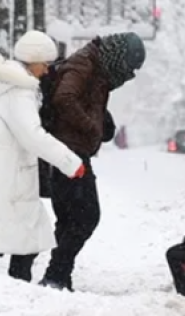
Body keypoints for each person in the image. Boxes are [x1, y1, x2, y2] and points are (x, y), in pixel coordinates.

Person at [0, 32, 86, 281]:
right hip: (5, 178)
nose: (46, 71)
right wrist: (70, 162)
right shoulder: (19, 90)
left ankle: (13, 291)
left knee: (18, 240)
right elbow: (32, 136)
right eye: (45, 64)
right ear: (33, 60)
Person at [40, 32, 146, 291]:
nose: (127, 76)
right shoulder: (83, 64)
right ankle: (55, 275)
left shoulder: (96, 65)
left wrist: (102, 120)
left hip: (71, 150)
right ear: (118, 57)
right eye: (128, 69)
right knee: (87, 216)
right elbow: (64, 98)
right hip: (68, 152)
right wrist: (92, 128)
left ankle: (60, 277)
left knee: (69, 219)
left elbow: (83, 97)